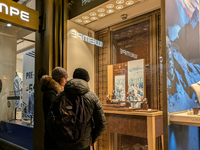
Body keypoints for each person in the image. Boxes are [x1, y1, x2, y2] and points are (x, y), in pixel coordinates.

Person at [55, 68, 106, 150]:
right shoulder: (92, 97)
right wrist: (90, 140)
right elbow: (101, 123)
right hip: (83, 144)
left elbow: (50, 121)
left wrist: (58, 138)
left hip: (63, 144)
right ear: (86, 81)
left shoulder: (59, 96)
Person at [41, 67, 68, 150]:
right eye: (65, 78)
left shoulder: (57, 91)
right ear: (59, 79)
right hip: (52, 133)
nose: (67, 80)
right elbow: (55, 112)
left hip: (55, 132)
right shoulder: (50, 93)